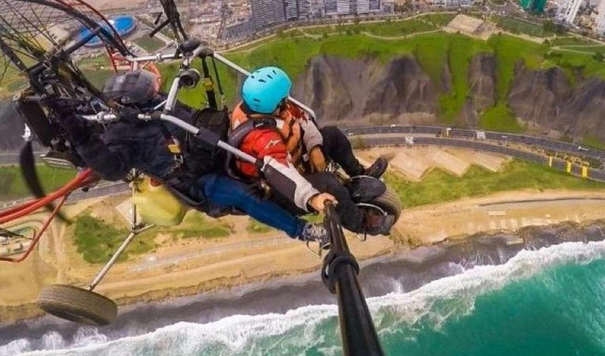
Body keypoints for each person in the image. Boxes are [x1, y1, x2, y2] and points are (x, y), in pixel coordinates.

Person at [54, 68, 335, 245]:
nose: (156, 92)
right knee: (245, 196)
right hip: (196, 177)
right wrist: (77, 132)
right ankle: (301, 231)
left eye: (153, 87)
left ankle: (305, 172)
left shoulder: (157, 102)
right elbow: (111, 167)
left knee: (260, 144)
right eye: (151, 90)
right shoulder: (122, 137)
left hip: (210, 145)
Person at [229, 66, 394, 236]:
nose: (288, 99)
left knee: (332, 135)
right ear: (275, 103)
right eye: (284, 98)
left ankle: (359, 174)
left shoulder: (270, 107)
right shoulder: (260, 138)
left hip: (296, 161)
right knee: (328, 183)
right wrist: (312, 198)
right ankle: (362, 223)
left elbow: (302, 120)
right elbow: (280, 172)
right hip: (281, 189)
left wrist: (314, 148)